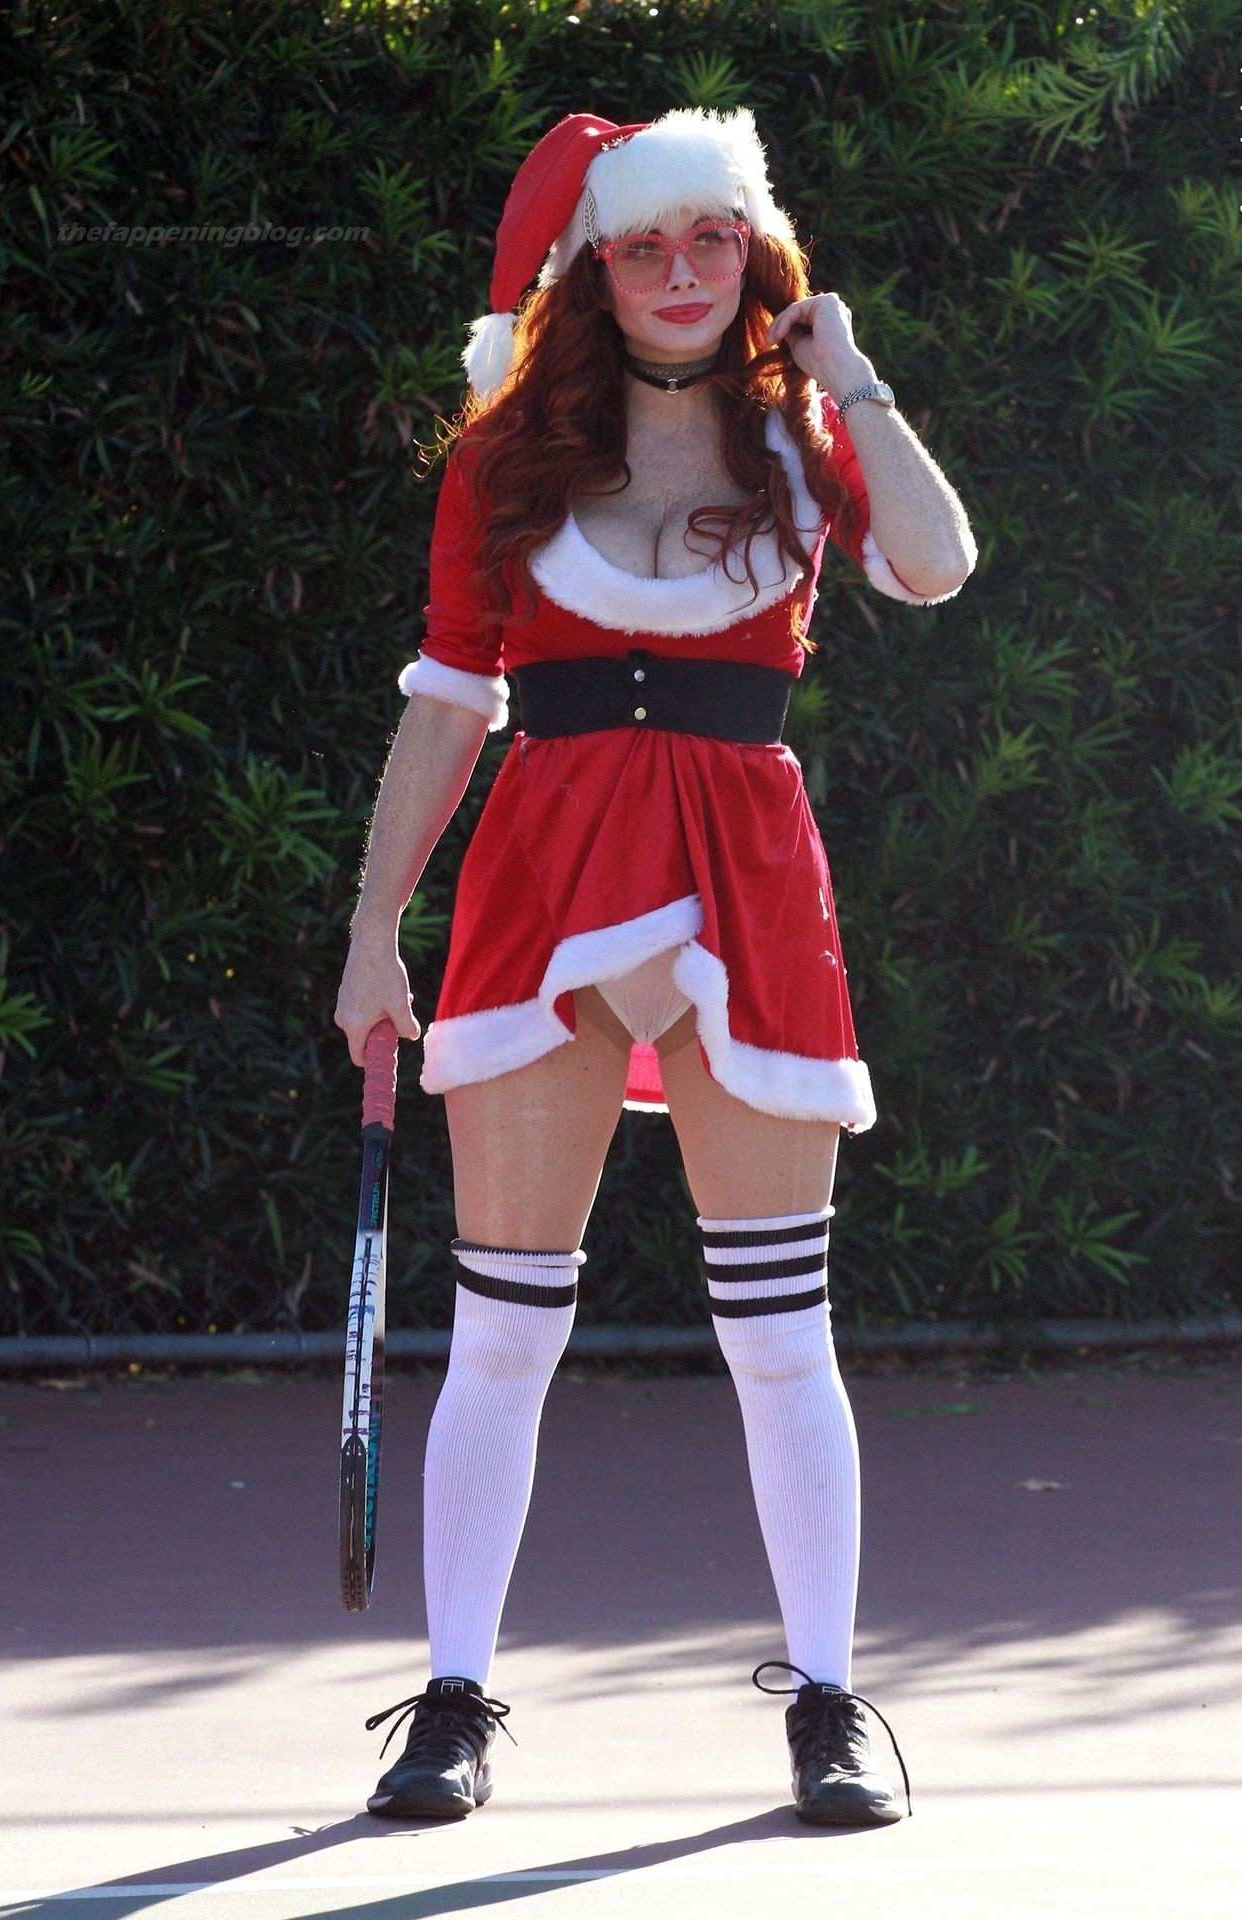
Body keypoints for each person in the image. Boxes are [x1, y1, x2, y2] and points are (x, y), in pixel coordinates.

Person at [335, 104, 975, 1829]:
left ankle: (830, 1705)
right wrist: (374, 931)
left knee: (779, 1329)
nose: (681, 273)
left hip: (744, 893)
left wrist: (854, 372)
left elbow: (934, 564)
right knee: (503, 1328)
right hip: (540, 887)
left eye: (711, 240)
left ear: (752, 255)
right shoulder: (504, 459)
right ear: (594, 270)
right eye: (642, 246)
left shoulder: (804, 435)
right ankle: (451, 1705)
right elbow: (448, 701)